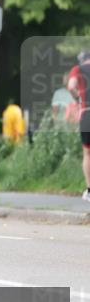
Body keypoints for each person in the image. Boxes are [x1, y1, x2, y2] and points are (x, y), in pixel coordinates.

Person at [66, 50, 90, 202]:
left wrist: (78, 98)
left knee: (87, 153)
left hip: (87, 112)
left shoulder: (78, 69)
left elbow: (71, 86)